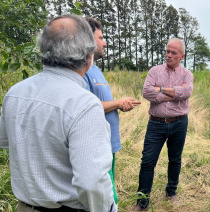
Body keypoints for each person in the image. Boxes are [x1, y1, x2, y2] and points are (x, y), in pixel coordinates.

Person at [0, 14, 117, 212]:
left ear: (44, 50)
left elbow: (5, 140)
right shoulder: (84, 104)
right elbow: (91, 183)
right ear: (88, 57)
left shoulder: (16, 92)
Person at [84, 17, 141, 204]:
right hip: (96, 146)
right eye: (100, 38)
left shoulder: (96, 70)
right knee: (104, 197)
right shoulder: (81, 72)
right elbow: (84, 106)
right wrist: (117, 103)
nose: (105, 42)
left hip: (108, 143)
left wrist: (119, 104)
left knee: (109, 189)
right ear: (87, 39)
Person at [132, 38, 193, 211]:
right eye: (167, 51)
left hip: (179, 122)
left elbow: (187, 92)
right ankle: (142, 201)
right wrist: (173, 93)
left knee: (175, 159)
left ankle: (171, 192)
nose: (169, 55)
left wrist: (159, 89)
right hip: (156, 124)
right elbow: (146, 92)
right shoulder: (154, 71)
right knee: (147, 162)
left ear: (182, 55)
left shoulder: (187, 74)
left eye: (173, 53)